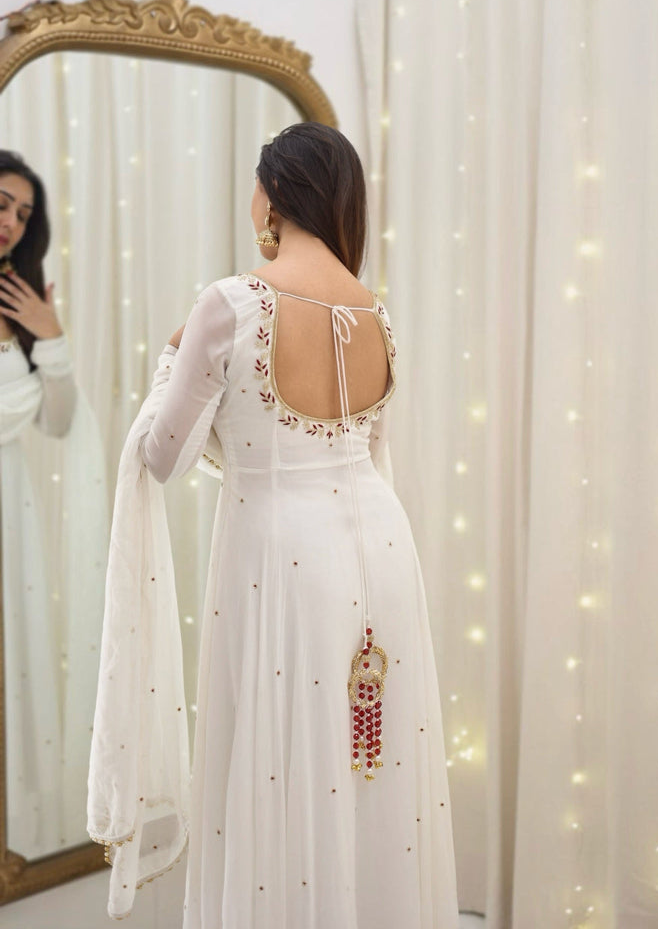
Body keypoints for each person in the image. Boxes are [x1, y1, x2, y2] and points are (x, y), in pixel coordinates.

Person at [88, 122, 458, 927]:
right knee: (368, 761)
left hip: (282, 556)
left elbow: (163, 456)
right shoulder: (375, 312)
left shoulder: (231, 303)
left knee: (280, 761)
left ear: (275, 193)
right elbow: (366, 446)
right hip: (382, 548)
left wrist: (172, 358)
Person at [0, 150, 105, 856]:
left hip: (14, 512)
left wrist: (52, 334)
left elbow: (59, 421)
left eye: (23, 213)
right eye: (1, 203)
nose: (10, 221)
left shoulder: (20, 302)